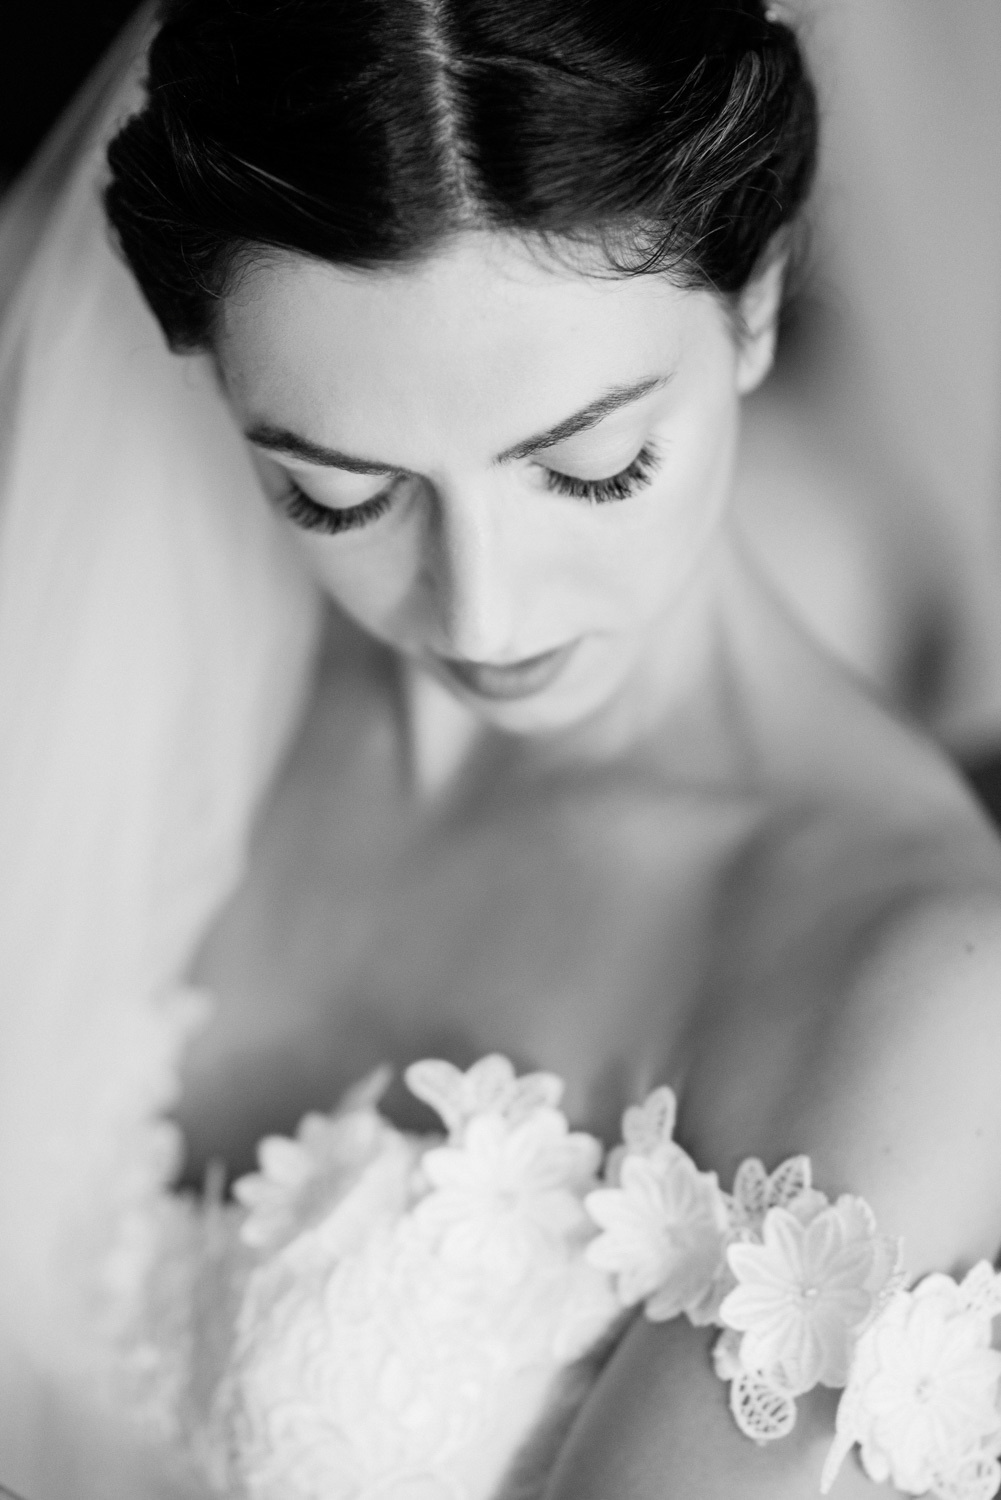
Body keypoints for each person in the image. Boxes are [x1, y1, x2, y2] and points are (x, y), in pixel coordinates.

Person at [2, 1, 1001, 1497]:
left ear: (756, 303)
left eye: (592, 466)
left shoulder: (914, 981)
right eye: (338, 493)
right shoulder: (151, 637)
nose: (482, 605)